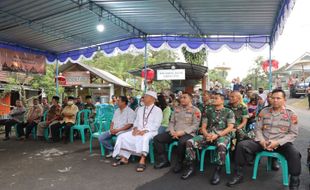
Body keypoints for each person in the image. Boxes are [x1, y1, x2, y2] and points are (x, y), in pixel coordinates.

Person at [227, 89, 301, 190]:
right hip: (263, 141)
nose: (275, 100)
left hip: (281, 143)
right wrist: (261, 141)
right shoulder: (264, 111)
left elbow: (293, 134)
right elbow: (257, 129)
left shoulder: (291, 114)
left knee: (295, 154)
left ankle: (294, 183)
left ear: (284, 100)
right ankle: (238, 174)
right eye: (273, 98)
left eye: (278, 98)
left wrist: (277, 143)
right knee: (242, 145)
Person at [181, 93, 235, 185]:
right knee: (190, 142)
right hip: (208, 134)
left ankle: (217, 171)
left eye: (216, 98)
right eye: (213, 98)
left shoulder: (228, 111)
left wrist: (217, 135)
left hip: (222, 135)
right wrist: (206, 135)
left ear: (222, 100)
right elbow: (203, 127)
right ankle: (191, 167)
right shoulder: (208, 111)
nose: (213, 99)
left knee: (221, 146)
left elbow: (230, 127)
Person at [112, 91, 162, 172]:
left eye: (146, 97)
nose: (143, 98)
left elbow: (157, 124)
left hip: (151, 131)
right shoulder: (140, 109)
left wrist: (145, 131)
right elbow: (136, 121)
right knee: (122, 136)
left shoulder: (158, 110)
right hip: (138, 130)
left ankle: (142, 160)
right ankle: (124, 158)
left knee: (144, 137)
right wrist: (135, 129)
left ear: (152, 99)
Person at [153, 92, 201, 173]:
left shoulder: (195, 110)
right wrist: (172, 131)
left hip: (188, 133)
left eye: (184, 97)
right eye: (181, 97)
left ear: (190, 99)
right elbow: (171, 122)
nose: (182, 99)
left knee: (181, 142)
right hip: (174, 132)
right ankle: (164, 160)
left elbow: (195, 125)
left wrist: (182, 132)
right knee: (157, 138)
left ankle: (180, 162)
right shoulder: (176, 109)